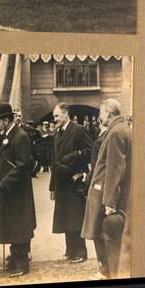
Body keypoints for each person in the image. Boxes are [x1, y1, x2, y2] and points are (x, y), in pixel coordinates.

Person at [82, 99, 131, 279]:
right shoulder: (120, 129)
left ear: (109, 112)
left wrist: (109, 201)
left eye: (101, 113)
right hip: (103, 192)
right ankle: (106, 269)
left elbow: (114, 169)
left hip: (104, 195)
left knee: (104, 232)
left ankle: (109, 271)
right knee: (102, 232)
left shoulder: (116, 132)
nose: (99, 117)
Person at [0, 103, 36, 277]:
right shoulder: (10, 136)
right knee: (12, 224)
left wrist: (5, 182)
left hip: (17, 192)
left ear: (5, 120)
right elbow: (2, 164)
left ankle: (22, 264)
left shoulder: (20, 136)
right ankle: (14, 259)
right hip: (9, 191)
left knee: (19, 225)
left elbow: (23, 164)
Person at [49, 102, 92, 263]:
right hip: (61, 182)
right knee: (66, 216)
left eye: (57, 116)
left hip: (75, 181)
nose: (55, 119)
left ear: (65, 113)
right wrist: (52, 186)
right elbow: (54, 162)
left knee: (76, 216)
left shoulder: (78, 130)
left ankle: (81, 251)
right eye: (54, 116)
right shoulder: (57, 133)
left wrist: (73, 156)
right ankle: (70, 249)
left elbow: (90, 151)